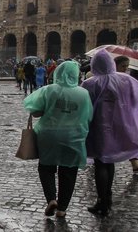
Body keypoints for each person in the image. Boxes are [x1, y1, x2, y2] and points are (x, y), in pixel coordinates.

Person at [82, 50, 138, 215]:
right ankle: (108, 197)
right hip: (117, 126)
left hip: (97, 128)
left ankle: (102, 200)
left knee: (100, 163)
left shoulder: (90, 83)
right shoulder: (125, 80)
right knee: (109, 161)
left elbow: (84, 106)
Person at [24, 60, 93, 219]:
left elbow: (35, 112)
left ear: (58, 73)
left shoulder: (48, 90)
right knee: (69, 171)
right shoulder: (83, 93)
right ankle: (62, 209)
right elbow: (88, 116)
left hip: (49, 135)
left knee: (46, 167)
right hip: (73, 136)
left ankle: (51, 199)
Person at [114, 55, 138, 174]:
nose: (125, 69)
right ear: (115, 65)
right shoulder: (110, 78)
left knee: (132, 138)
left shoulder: (127, 79)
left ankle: (136, 164)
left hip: (124, 114)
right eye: (123, 66)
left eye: (127, 67)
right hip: (114, 114)